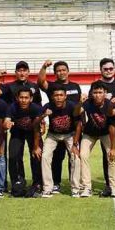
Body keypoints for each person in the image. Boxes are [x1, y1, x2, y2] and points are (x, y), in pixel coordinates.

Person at [37, 60, 82, 193]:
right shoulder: (52, 86)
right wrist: (44, 67)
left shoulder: (75, 86)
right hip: (55, 130)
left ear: (68, 71)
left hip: (72, 128)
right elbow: (40, 82)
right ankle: (55, 183)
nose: (61, 72)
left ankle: (74, 184)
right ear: (55, 73)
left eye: (64, 70)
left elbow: (79, 109)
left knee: (73, 156)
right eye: (58, 70)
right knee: (57, 157)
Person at [92, 58, 115, 197]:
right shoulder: (96, 85)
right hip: (105, 127)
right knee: (107, 156)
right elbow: (93, 103)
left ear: (114, 69)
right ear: (101, 70)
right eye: (105, 69)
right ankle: (109, 185)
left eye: (111, 68)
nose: (108, 71)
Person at [76, 82, 115, 197]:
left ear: (105, 93)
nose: (97, 95)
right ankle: (86, 187)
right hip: (89, 134)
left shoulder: (109, 105)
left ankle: (113, 187)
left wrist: (113, 147)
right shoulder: (87, 103)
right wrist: (80, 102)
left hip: (106, 133)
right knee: (83, 155)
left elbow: (112, 126)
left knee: (112, 156)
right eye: (95, 92)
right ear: (91, 93)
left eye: (100, 92)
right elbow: (76, 113)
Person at [4, 88, 43, 194]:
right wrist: (6, 124)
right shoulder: (12, 107)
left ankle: (38, 183)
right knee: (13, 156)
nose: (23, 100)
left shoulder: (36, 108)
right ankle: (17, 182)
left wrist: (36, 147)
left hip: (33, 133)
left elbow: (36, 129)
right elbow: (6, 121)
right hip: (17, 132)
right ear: (17, 98)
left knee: (37, 155)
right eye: (21, 97)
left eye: (26, 98)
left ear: (31, 99)